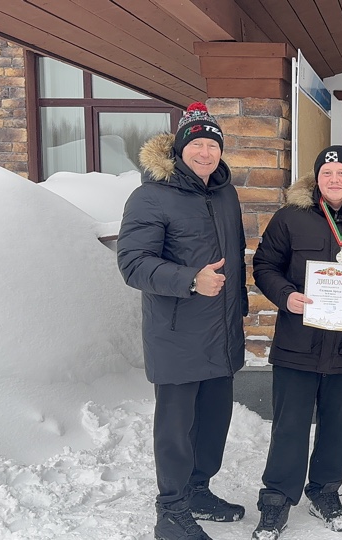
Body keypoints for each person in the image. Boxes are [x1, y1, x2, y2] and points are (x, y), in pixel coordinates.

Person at [249, 146, 342, 539]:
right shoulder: (290, 218)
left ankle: (325, 492)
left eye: (341, 173)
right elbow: (264, 265)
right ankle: (276, 500)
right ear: (317, 179)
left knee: (337, 427)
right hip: (298, 342)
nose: (334, 179)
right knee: (289, 426)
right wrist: (285, 296)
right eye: (327, 173)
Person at [117, 102, 247, 540]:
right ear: (179, 148)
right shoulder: (151, 196)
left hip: (221, 333)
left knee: (213, 424)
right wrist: (191, 279)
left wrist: (238, 313)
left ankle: (197, 492)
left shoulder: (225, 194)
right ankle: (171, 510)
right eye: (197, 144)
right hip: (176, 335)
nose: (205, 153)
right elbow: (133, 263)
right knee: (176, 430)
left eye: (213, 145)